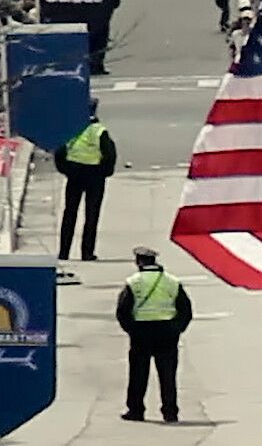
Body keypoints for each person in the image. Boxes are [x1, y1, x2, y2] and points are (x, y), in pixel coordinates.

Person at [116, 247, 194, 424]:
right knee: (168, 374)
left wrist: (131, 330)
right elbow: (185, 309)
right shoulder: (172, 282)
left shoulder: (133, 282)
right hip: (167, 331)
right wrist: (177, 329)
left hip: (141, 332)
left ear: (139, 262)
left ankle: (136, 410)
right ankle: (170, 412)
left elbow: (123, 310)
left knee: (138, 373)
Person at [56, 109, 118, 262]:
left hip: (74, 174)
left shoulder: (70, 129)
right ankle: (87, 253)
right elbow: (110, 154)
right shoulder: (99, 131)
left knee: (69, 213)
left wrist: (66, 170)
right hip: (95, 175)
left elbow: (59, 151)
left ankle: (64, 252)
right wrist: (105, 172)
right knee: (92, 215)